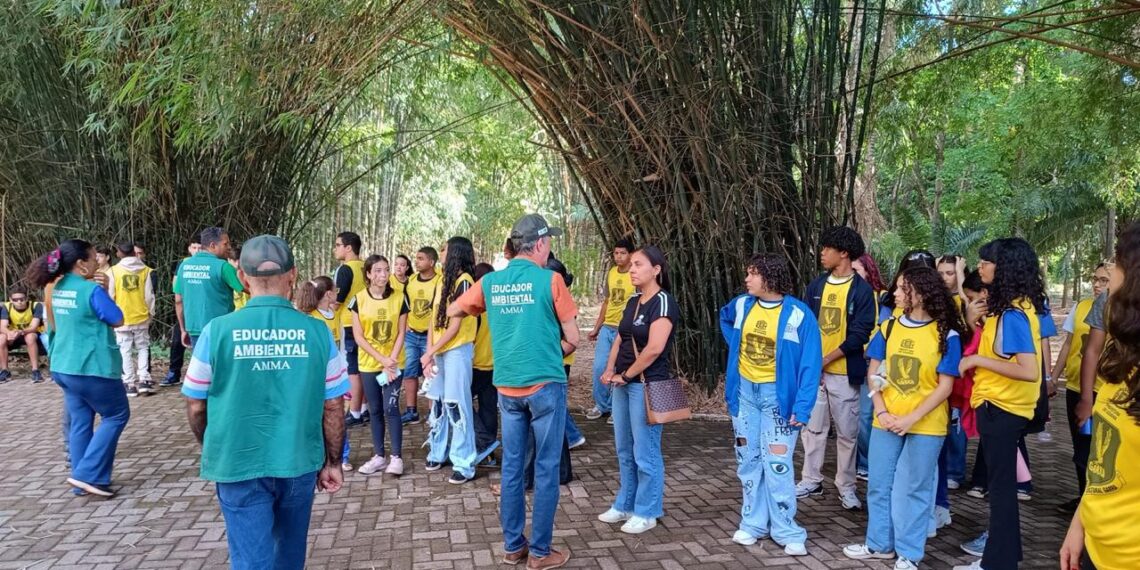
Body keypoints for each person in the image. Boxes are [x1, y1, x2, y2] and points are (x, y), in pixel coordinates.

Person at [181, 235, 347, 570]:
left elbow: (196, 405)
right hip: (298, 460)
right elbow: (333, 407)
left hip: (237, 461)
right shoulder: (318, 333)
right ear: (293, 275)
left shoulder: (216, 331)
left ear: (242, 277)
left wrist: (213, 444)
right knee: (289, 552)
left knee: (250, 558)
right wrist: (332, 462)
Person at [449, 213, 579, 568]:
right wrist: (549, 352)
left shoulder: (491, 282)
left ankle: (512, 546)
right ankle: (539, 552)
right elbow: (574, 339)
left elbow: (454, 309)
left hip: (507, 388)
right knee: (547, 468)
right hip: (545, 387)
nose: (548, 248)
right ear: (538, 244)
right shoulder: (551, 280)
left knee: (512, 469)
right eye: (548, 243)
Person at [842, 266, 963, 570]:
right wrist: (882, 410)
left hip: (926, 424)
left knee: (915, 488)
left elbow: (945, 387)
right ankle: (879, 545)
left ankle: (909, 553)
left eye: (901, 288)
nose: (893, 293)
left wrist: (910, 419)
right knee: (879, 484)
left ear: (919, 294)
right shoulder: (889, 328)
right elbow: (873, 372)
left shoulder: (946, 334)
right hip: (887, 418)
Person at [951, 238, 1046, 570]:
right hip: (998, 406)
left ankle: (997, 562)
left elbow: (1028, 369)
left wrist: (976, 358)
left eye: (986, 261)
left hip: (1003, 409)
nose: (981, 267)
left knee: (1002, 490)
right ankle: (1004, 555)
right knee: (1001, 487)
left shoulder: (1014, 314)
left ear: (1003, 267)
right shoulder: (1006, 309)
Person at [720, 253, 822, 556]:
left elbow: (810, 365)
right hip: (745, 397)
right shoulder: (741, 306)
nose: (747, 279)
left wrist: (802, 408)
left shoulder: (798, 314)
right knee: (747, 462)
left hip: (778, 400)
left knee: (776, 465)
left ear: (770, 277)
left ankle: (787, 529)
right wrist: (736, 346)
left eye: (752, 274)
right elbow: (725, 319)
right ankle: (752, 523)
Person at [1060, 222, 1140, 570]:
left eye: (1117, 265)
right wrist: (1079, 524)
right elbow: (1103, 466)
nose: (1108, 276)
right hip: (1095, 546)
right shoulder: (1124, 364)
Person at [27, 239, 128, 497]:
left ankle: (81, 481)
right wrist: (104, 292)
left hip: (63, 366)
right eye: (94, 257)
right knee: (116, 415)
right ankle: (88, 474)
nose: (98, 261)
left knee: (81, 421)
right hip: (92, 367)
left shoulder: (55, 287)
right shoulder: (90, 291)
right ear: (81, 264)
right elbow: (117, 319)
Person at [596, 245, 679, 535]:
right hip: (623, 383)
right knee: (624, 448)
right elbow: (620, 339)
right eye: (631, 265)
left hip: (649, 384)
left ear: (656, 270)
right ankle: (625, 503)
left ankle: (648, 510)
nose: (631, 269)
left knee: (646, 451)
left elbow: (655, 348)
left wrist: (626, 375)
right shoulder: (633, 300)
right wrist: (609, 370)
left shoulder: (664, 302)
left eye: (638, 265)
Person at [797, 226, 877, 510]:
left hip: (844, 373)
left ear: (843, 253)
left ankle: (846, 485)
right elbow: (805, 325)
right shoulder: (817, 285)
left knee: (847, 433)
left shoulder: (862, 291)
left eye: (827, 248)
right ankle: (811, 479)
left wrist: (827, 359)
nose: (822, 253)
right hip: (815, 373)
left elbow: (860, 333)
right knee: (813, 428)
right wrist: (810, 363)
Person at [1049, 263, 1109, 513]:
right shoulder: (1082, 306)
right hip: (1076, 387)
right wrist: (1053, 377)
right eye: (1095, 279)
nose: (1097, 284)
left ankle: (1095, 502)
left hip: (1101, 391)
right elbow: (1068, 345)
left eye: (1104, 280)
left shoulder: (1119, 309)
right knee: (1080, 446)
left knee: (1097, 448)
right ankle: (1082, 496)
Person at [420, 237, 478, 484]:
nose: (441, 252)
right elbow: (434, 321)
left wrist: (432, 350)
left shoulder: (465, 282)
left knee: (457, 404)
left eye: (444, 249)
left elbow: (455, 326)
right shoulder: (441, 281)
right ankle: (438, 450)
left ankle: (464, 462)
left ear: (455, 252)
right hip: (439, 351)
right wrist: (430, 351)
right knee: (439, 403)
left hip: (456, 351)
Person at [350, 255, 410, 477]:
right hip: (369, 364)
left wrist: (390, 361)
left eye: (386, 270)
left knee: (391, 408)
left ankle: (396, 457)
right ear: (368, 274)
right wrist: (381, 360)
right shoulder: (358, 300)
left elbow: (402, 331)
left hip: (394, 363)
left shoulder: (400, 298)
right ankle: (378, 456)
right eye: (377, 271)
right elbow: (359, 337)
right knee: (374, 410)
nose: (383, 275)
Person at [296, 275, 353, 472]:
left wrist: (344, 370)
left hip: (336, 374)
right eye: (336, 291)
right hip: (316, 377)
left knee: (338, 416)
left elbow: (342, 347)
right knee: (320, 416)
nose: (338, 294)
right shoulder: (309, 319)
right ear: (329, 294)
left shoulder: (336, 316)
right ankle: (319, 455)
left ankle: (342, 455)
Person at [586, 238, 634, 421]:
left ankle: (617, 409)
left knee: (620, 370)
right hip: (608, 327)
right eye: (616, 253)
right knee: (600, 368)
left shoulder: (636, 274)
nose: (619, 257)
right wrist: (597, 327)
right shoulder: (612, 272)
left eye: (623, 253)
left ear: (630, 254)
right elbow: (607, 302)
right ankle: (601, 405)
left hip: (625, 330)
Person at [174, 227, 243, 351]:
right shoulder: (223, 267)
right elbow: (248, 289)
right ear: (212, 245)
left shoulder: (184, 266)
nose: (229, 247)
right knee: (221, 367)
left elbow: (178, 300)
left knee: (201, 368)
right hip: (220, 328)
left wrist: (183, 329)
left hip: (194, 328)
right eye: (225, 244)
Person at [853, 253, 887, 481]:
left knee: (873, 414)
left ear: (869, 271)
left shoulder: (883, 297)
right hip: (855, 360)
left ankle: (875, 462)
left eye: (857, 271)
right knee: (861, 416)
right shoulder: (848, 295)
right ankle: (864, 462)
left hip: (879, 363)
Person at [107, 242, 155, 397]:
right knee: (142, 347)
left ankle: (129, 384)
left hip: (122, 317)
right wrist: (151, 313)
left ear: (119, 253)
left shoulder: (113, 272)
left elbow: (110, 295)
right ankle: (144, 381)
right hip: (141, 315)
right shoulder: (145, 270)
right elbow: (149, 295)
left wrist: (111, 316)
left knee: (124, 350)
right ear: (134, 253)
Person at [402, 246, 440, 424]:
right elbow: (406, 304)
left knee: (430, 373)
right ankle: (411, 410)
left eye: (421, 258)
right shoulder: (410, 281)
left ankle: (433, 412)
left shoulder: (440, 281)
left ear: (431, 262)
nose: (416, 261)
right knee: (409, 372)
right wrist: (406, 324)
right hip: (412, 334)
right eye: (416, 258)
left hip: (430, 336)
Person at [333, 231, 368, 427]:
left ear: (348, 248)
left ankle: (354, 412)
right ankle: (364, 408)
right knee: (364, 367)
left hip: (349, 323)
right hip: (366, 322)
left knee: (353, 369)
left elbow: (338, 301)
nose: (335, 249)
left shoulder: (345, 270)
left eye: (338, 245)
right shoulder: (366, 267)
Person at [162, 236, 201, 387]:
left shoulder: (211, 263)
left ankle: (195, 374)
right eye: (194, 248)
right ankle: (174, 372)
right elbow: (175, 286)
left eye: (199, 248)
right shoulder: (183, 263)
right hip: (186, 307)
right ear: (189, 249)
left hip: (202, 307)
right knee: (178, 339)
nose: (196, 251)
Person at [471, 262, 500, 460]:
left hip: (475, 366)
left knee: (458, 403)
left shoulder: (475, 309)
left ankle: (485, 443)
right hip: (495, 366)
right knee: (489, 409)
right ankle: (488, 453)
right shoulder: (498, 306)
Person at [0, 286, 45, 383]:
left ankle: (35, 370)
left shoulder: (35, 305)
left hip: (32, 333)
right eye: (15, 300)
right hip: (13, 334)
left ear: (26, 298)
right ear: (11, 300)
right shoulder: (7, 307)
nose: (19, 302)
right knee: (1, 338)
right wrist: (10, 333)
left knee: (29, 337)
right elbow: (2, 326)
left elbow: (33, 326)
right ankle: (5, 371)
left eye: (22, 299)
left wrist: (20, 332)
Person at [227, 245, 250, 311]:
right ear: (228, 260)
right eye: (234, 260)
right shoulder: (226, 275)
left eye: (239, 260)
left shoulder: (247, 274)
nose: (237, 264)